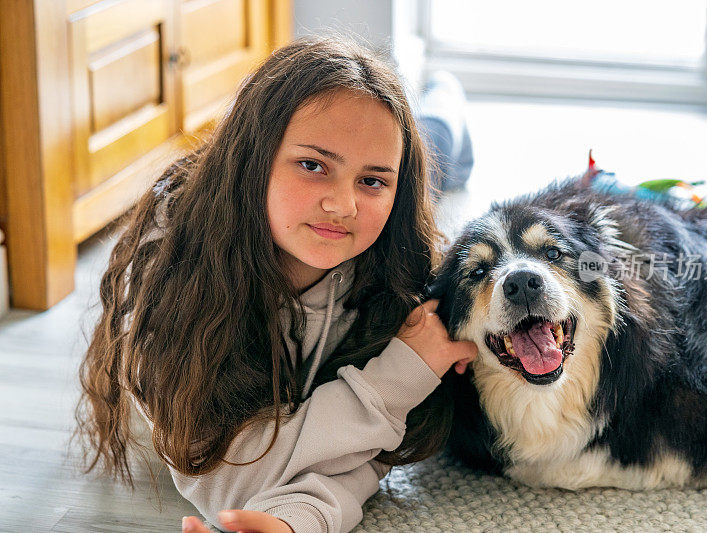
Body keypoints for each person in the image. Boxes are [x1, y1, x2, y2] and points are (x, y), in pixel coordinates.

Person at [73, 37, 478, 533]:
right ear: (255, 159)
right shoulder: (170, 270)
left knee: (440, 144)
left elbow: (367, 456)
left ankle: (442, 91)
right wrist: (400, 374)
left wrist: (296, 514)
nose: (343, 205)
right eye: (313, 166)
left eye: (373, 182)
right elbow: (233, 478)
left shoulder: (395, 263)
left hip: (421, 146)